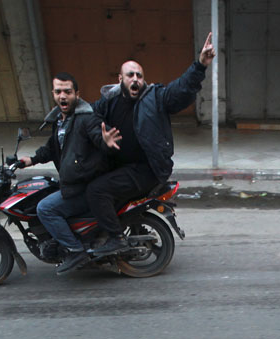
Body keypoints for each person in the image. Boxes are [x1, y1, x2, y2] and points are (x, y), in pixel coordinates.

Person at [84, 33, 216, 258]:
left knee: (96, 191)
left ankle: (115, 238)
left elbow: (180, 90)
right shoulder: (109, 102)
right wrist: (95, 133)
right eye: (130, 75)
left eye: (139, 75)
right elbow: (89, 116)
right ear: (120, 79)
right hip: (120, 167)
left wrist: (200, 65)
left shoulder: (155, 98)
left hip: (146, 170)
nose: (135, 79)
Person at [18, 73, 120, 274]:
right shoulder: (60, 120)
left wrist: (106, 142)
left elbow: (99, 135)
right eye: (58, 92)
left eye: (67, 91)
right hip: (73, 183)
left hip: (85, 187)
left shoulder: (86, 118)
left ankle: (75, 250)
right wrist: (29, 160)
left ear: (77, 94)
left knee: (45, 208)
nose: (63, 96)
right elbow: (52, 148)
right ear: (53, 94)